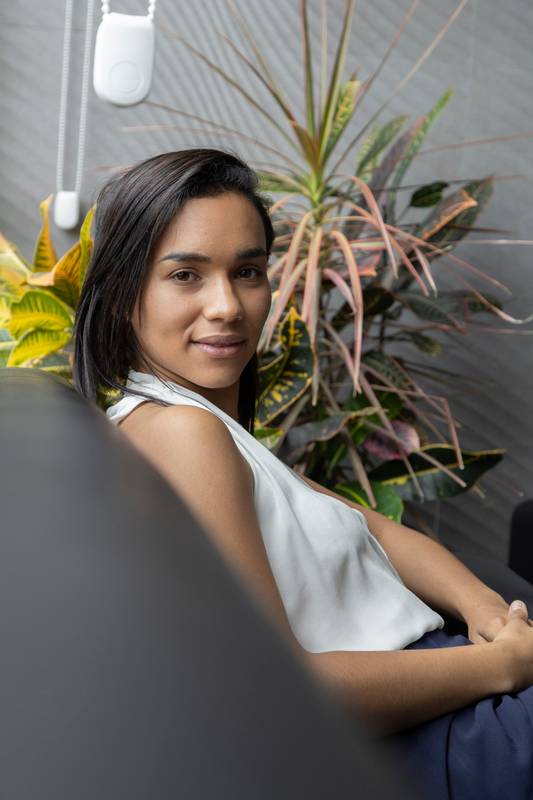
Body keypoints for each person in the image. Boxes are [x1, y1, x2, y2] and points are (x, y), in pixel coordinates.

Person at [73, 148, 533, 800]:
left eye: (249, 271)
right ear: (122, 294)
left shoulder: (195, 423)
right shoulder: (183, 432)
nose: (227, 306)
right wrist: (501, 664)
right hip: (430, 740)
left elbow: (374, 526)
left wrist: (482, 607)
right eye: (185, 275)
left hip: (445, 694)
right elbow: (276, 687)